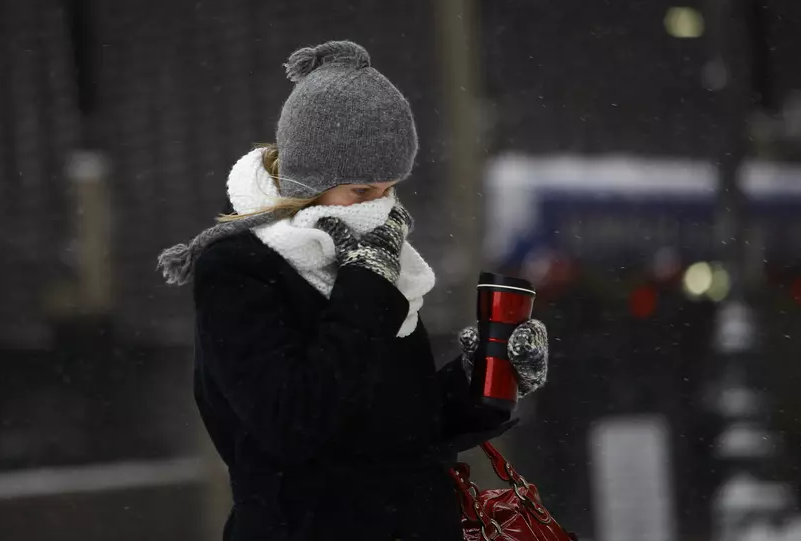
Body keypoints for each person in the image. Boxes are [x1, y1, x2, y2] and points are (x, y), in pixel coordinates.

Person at [158, 40, 549, 541]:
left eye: (389, 188)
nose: (379, 207)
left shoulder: (379, 266)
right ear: (308, 181)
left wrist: (484, 379)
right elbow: (294, 424)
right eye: (361, 191)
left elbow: (402, 433)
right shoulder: (241, 268)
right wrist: (366, 284)